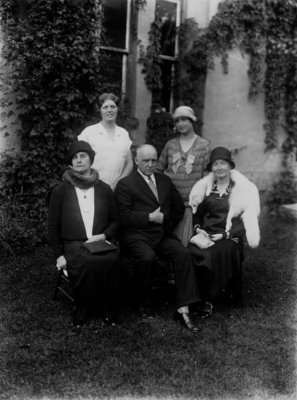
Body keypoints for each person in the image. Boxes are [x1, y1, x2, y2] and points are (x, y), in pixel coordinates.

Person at [114, 144, 199, 331]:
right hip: (136, 236)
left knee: (183, 254)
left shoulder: (164, 181)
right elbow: (123, 216)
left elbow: (177, 207)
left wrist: (165, 221)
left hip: (161, 234)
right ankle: (144, 302)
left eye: (153, 160)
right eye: (146, 161)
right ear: (136, 161)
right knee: (147, 258)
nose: (150, 164)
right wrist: (148, 217)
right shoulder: (126, 184)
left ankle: (183, 307)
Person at [48, 140, 120, 327]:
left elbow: (116, 221)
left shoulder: (103, 189)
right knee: (88, 261)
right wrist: (59, 255)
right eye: (75, 157)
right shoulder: (61, 190)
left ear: (91, 160)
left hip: (99, 240)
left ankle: (107, 305)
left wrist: (103, 236)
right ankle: (83, 305)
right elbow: (53, 227)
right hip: (74, 243)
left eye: (83, 156)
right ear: (71, 164)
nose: (79, 160)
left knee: (112, 259)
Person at [188, 147, 260, 316]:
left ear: (230, 166)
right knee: (190, 252)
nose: (219, 167)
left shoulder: (241, 189)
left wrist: (225, 235)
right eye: (215, 164)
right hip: (208, 234)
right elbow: (197, 215)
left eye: (223, 163)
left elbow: (246, 223)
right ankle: (193, 297)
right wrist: (199, 229)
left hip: (229, 237)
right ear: (211, 168)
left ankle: (207, 299)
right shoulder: (206, 188)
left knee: (208, 255)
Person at [156, 105, 211, 246]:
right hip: (171, 205)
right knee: (169, 244)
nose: (181, 124)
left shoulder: (204, 145)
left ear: (192, 121)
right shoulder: (171, 145)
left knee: (188, 245)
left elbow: (207, 176)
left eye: (184, 120)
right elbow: (158, 171)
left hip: (192, 207)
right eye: (177, 121)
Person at [78, 93, 133, 190]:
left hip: (116, 190)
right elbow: (80, 161)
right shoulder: (89, 132)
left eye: (113, 107)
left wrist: (119, 184)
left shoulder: (123, 133)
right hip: (93, 187)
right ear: (100, 110)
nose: (109, 110)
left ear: (117, 109)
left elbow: (129, 164)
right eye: (105, 107)